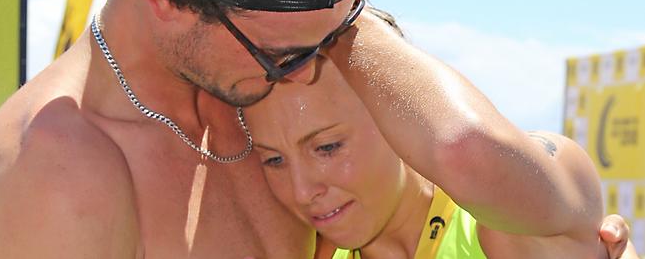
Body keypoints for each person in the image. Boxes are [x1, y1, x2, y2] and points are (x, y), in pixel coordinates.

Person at [0, 0, 636, 258]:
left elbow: (468, 157)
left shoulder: (248, 82)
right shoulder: (58, 173)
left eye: (340, 31)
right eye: (288, 54)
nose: (313, 63)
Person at [241, 53, 640, 258]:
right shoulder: (298, 246)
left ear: (396, 119)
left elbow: (486, 157)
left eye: (327, 147)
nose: (301, 189)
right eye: (274, 159)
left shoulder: (500, 230)